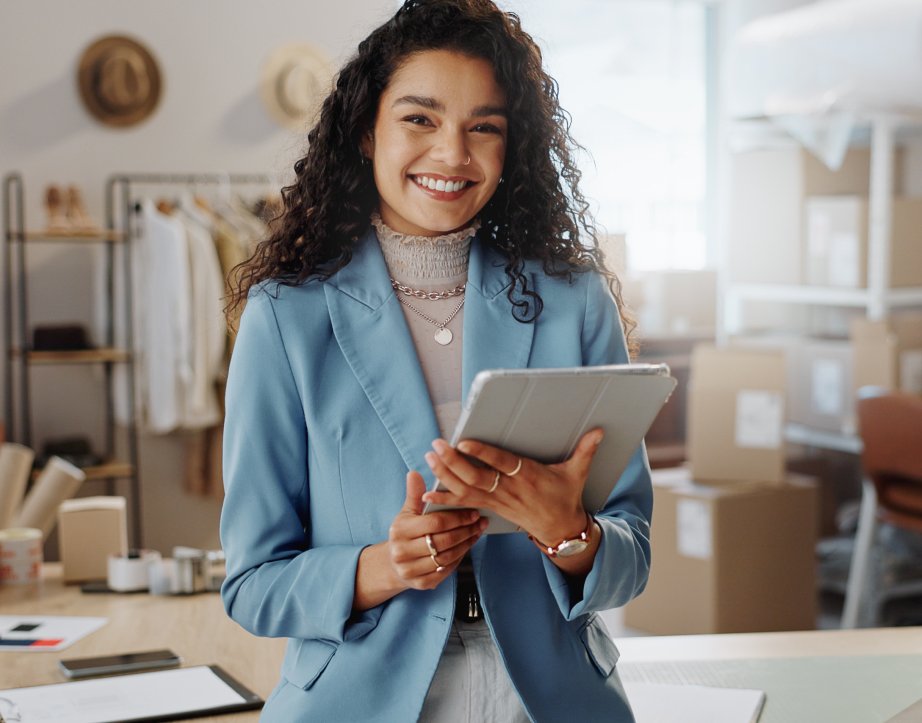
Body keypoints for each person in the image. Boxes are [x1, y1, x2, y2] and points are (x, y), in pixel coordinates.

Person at [220, 1, 652, 720]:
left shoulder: (576, 302)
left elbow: (631, 556)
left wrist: (569, 531)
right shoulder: (286, 317)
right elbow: (252, 585)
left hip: (548, 697)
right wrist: (382, 566)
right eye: (420, 118)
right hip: (359, 698)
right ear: (366, 130)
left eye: (484, 127)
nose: (453, 154)